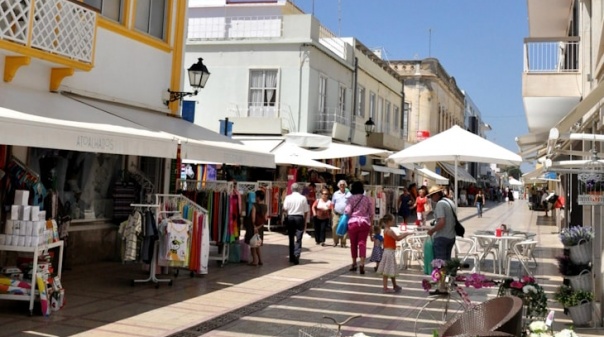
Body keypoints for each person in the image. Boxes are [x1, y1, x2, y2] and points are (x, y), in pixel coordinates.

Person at [377, 214, 412, 293]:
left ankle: (394, 285)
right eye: (392, 221)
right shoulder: (389, 231)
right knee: (387, 270)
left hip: (388, 251)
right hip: (389, 252)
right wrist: (406, 234)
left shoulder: (386, 229)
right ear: (389, 222)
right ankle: (385, 287)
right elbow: (398, 238)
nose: (393, 222)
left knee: (390, 268)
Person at [344, 180, 374, 274]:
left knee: (353, 244)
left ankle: (354, 263)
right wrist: (371, 225)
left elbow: (347, 211)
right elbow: (371, 213)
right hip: (365, 223)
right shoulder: (367, 199)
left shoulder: (351, 199)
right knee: (362, 243)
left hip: (353, 223)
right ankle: (362, 263)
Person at [426, 185, 457, 261]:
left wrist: (432, 230)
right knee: (447, 261)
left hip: (442, 237)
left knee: (440, 263)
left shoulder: (440, 204)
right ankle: (447, 272)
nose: (431, 199)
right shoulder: (450, 201)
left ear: (436, 194)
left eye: (431, 196)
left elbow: (442, 222)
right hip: (451, 236)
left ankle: (440, 273)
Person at [282, 183, 309, 265]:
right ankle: (297, 255)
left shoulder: (288, 197)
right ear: (299, 189)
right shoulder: (303, 198)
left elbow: (285, 208)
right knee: (299, 237)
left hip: (290, 217)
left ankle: (291, 256)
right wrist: (304, 220)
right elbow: (306, 211)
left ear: (291, 189)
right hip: (299, 218)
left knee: (291, 237)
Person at [244, 190, 267, 266]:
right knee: (257, 244)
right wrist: (259, 226)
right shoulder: (265, 206)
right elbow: (265, 218)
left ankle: (254, 261)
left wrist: (255, 227)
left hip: (253, 228)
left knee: (253, 245)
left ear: (258, 197)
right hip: (260, 228)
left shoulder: (254, 206)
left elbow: (253, 218)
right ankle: (260, 260)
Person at [331, 180, 351, 248]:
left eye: (343, 185)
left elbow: (351, 204)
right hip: (336, 213)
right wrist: (332, 212)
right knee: (334, 227)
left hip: (345, 214)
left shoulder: (349, 194)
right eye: (341, 185)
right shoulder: (335, 193)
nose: (342, 186)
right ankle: (335, 241)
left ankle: (343, 242)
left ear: (345, 185)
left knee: (344, 228)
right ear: (339, 186)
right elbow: (332, 203)